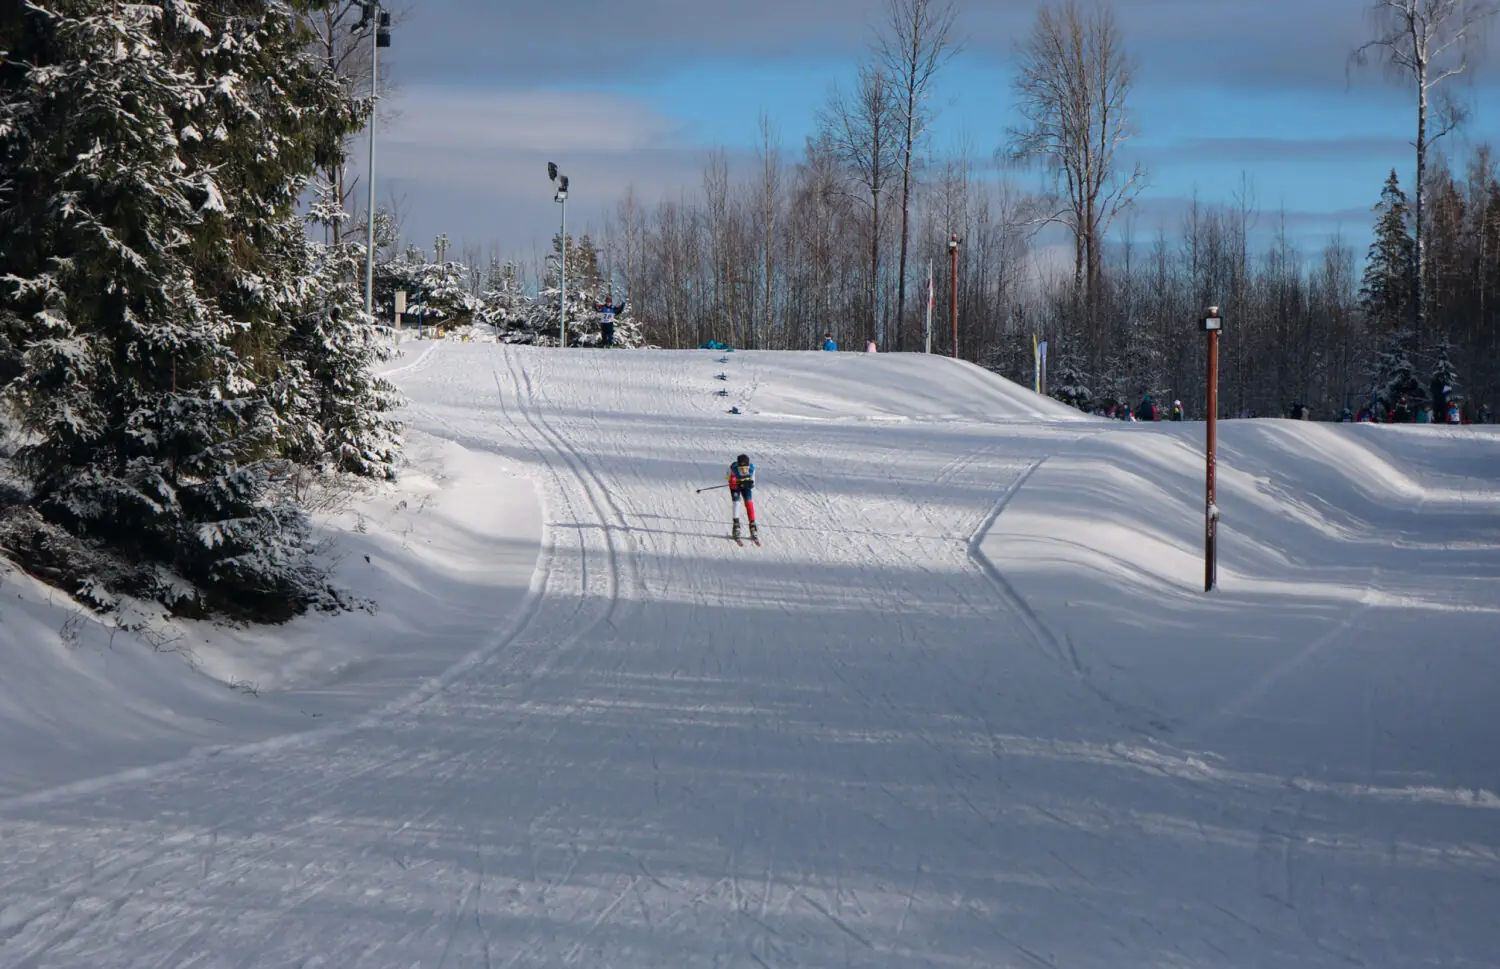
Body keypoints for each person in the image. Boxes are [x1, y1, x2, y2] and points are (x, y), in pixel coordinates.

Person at [727, 454, 757, 541]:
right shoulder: (733, 469)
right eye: (741, 469)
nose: (744, 471)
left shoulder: (751, 469)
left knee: (749, 502)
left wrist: (748, 483)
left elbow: (752, 483)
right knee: (736, 502)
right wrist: (734, 482)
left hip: (745, 485)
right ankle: (736, 524)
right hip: (735, 485)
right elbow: (729, 480)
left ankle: (752, 524)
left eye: (746, 468)